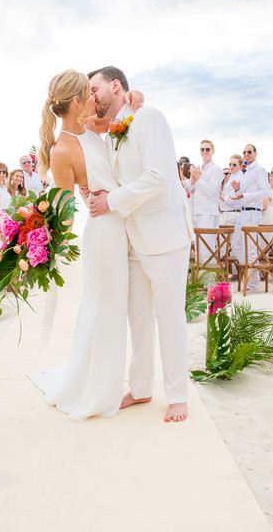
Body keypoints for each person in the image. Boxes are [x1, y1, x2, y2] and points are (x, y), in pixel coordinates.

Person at [88, 65, 194, 423]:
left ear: (115, 86)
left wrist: (111, 200)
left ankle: (177, 395)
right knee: (139, 320)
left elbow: (159, 176)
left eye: (94, 88)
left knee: (170, 319)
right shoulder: (114, 133)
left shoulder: (149, 118)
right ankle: (142, 387)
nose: (91, 96)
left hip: (165, 237)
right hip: (133, 241)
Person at [28, 69, 129, 422]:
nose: (94, 97)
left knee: (113, 309)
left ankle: (105, 382)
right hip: (102, 235)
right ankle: (97, 390)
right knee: (103, 308)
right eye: (89, 92)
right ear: (76, 100)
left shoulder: (90, 128)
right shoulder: (62, 150)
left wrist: (136, 97)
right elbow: (64, 208)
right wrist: (40, 240)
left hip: (119, 228)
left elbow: (123, 119)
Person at [229, 144, 270, 290]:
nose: (246, 154)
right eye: (244, 152)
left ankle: (253, 283)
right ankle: (252, 274)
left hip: (253, 213)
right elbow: (245, 193)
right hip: (244, 212)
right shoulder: (246, 172)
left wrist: (244, 195)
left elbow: (265, 191)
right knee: (235, 244)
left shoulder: (259, 170)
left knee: (251, 248)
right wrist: (238, 190)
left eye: (249, 152)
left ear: (255, 153)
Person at [186, 140, 223, 229]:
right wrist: (193, 181)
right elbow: (187, 191)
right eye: (202, 150)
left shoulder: (216, 170)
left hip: (208, 214)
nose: (204, 152)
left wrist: (198, 177)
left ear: (213, 151)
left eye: (207, 149)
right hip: (195, 212)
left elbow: (211, 192)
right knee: (195, 243)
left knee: (206, 243)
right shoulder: (198, 169)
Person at [218, 154, 244, 227]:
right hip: (230, 214)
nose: (231, 167)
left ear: (241, 166)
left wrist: (218, 195)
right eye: (230, 164)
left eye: (234, 165)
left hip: (231, 214)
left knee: (222, 237)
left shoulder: (238, 179)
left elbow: (231, 200)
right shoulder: (233, 177)